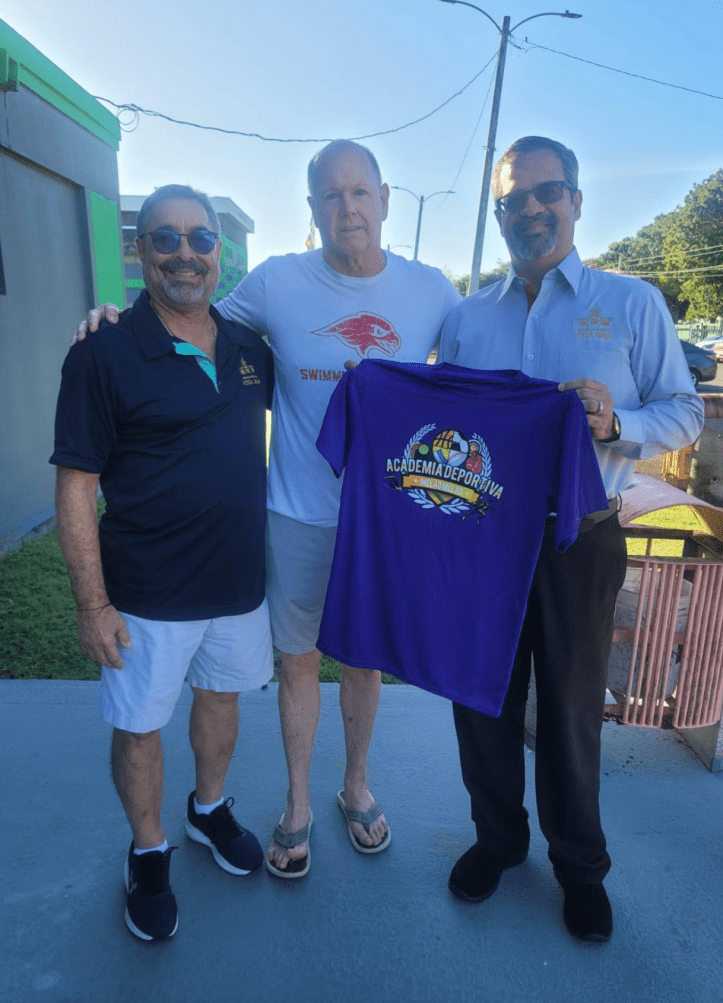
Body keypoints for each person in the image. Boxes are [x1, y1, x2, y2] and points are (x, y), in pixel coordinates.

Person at [73, 141, 461, 877]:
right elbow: (183, 311)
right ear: (313, 210)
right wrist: (112, 319)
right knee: (296, 662)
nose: (347, 206)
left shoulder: (432, 290)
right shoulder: (278, 282)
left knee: (365, 660)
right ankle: (295, 805)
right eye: (329, 196)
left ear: (382, 196)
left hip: (383, 520)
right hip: (293, 513)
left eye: (358, 192)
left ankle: (354, 786)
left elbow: (478, 373)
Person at [438, 137, 704, 942]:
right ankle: (497, 839)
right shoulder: (465, 317)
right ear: (496, 213)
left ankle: (579, 867)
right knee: (479, 699)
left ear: (576, 200)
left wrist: (616, 420)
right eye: (512, 200)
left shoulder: (629, 304)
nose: (530, 209)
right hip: (482, 538)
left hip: (578, 539)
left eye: (545, 192)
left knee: (567, 710)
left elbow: (684, 410)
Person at [53, 185, 274, 940]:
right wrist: (92, 603)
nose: (186, 253)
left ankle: (207, 809)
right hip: (145, 591)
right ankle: (148, 851)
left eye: (201, 239)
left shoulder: (250, 349)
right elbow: (77, 485)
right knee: (141, 724)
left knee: (221, 697)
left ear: (220, 252)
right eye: (165, 239)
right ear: (139, 250)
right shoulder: (103, 349)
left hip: (239, 584)